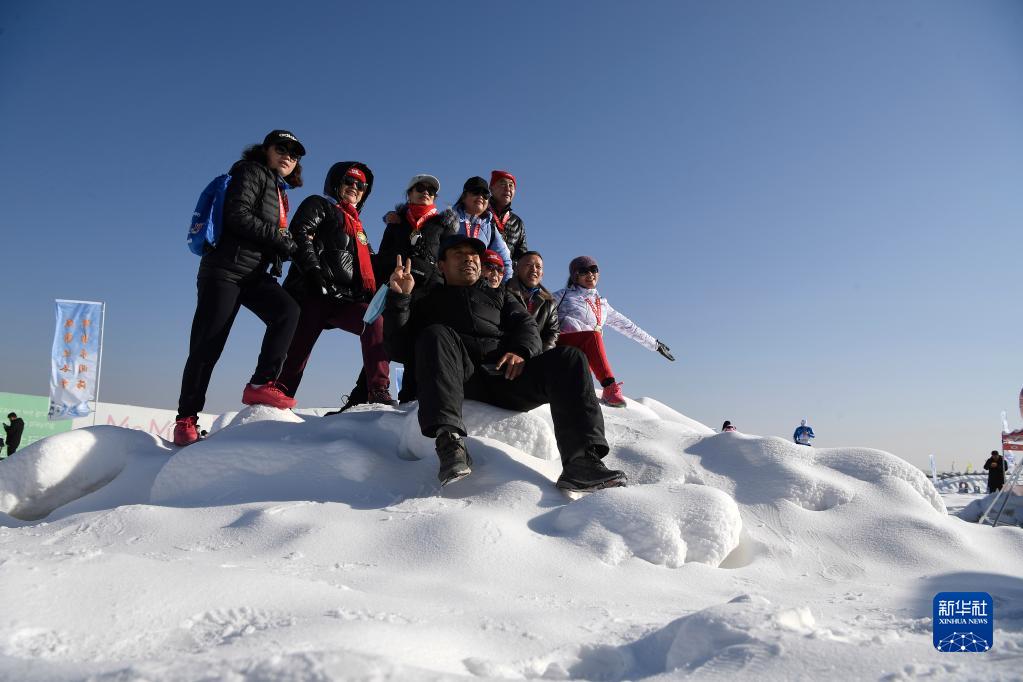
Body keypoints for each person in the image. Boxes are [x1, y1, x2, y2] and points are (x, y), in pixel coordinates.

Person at [382, 235, 627, 491]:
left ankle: (581, 462)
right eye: (458, 254)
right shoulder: (424, 299)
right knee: (435, 333)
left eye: (474, 255)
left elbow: (528, 326)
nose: (469, 259)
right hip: (456, 378)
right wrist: (400, 300)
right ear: (441, 265)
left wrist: (520, 351)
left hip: (506, 375)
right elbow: (398, 348)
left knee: (570, 357)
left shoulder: (500, 296)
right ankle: (450, 442)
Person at [173, 130, 304, 447]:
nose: (288, 155)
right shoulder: (250, 171)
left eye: (294, 153)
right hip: (224, 269)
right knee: (208, 344)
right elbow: (237, 215)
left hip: (252, 272)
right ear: (266, 150)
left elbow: (263, 230)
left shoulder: (277, 188)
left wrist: (284, 248)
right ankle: (185, 419)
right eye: (281, 148)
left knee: (287, 310)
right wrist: (281, 239)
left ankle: (261, 383)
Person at [335, 173, 458, 411]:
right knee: (384, 341)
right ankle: (362, 396)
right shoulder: (396, 223)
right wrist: (393, 271)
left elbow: (448, 260)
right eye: (420, 188)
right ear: (409, 193)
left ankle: (411, 403)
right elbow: (382, 259)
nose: (426, 193)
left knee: (419, 345)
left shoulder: (443, 224)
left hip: (430, 295)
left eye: (431, 191)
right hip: (397, 290)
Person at [277, 162, 392, 405]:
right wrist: (313, 273)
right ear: (336, 184)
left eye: (360, 185)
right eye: (349, 181)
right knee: (297, 355)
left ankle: (378, 390)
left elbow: (370, 265)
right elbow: (299, 234)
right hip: (313, 292)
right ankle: (277, 401)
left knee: (374, 321)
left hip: (345, 300)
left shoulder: (359, 229)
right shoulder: (320, 205)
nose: (354, 187)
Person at [553, 256, 674, 408]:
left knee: (580, 384)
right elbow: (537, 310)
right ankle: (609, 387)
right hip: (561, 345)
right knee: (593, 336)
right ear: (575, 276)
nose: (590, 274)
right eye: (583, 271)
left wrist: (655, 344)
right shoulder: (562, 296)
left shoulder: (602, 305)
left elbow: (628, 326)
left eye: (593, 270)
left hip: (582, 354)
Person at [453, 177, 512, 281]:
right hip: (451, 282)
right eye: (475, 191)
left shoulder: (490, 229)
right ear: (464, 197)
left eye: (485, 194)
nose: (480, 196)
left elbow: (505, 261)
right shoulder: (448, 219)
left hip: (478, 287)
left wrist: (503, 289)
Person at [506, 251, 559, 352]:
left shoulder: (550, 302)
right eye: (528, 265)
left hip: (535, 355)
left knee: (573, 354)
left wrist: (538, 356)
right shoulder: (503, 292)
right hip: (507, 353)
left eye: (538, 267)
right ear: (516, 269)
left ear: (542, 274)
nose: (534, 269)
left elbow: (552, 335)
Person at [488, 170, 528, 264]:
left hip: (507, 275)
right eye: (502, 184)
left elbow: (522, 256)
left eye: (511, 185)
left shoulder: (517, 222)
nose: (507, 189)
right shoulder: (481, 213)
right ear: (491, 188)